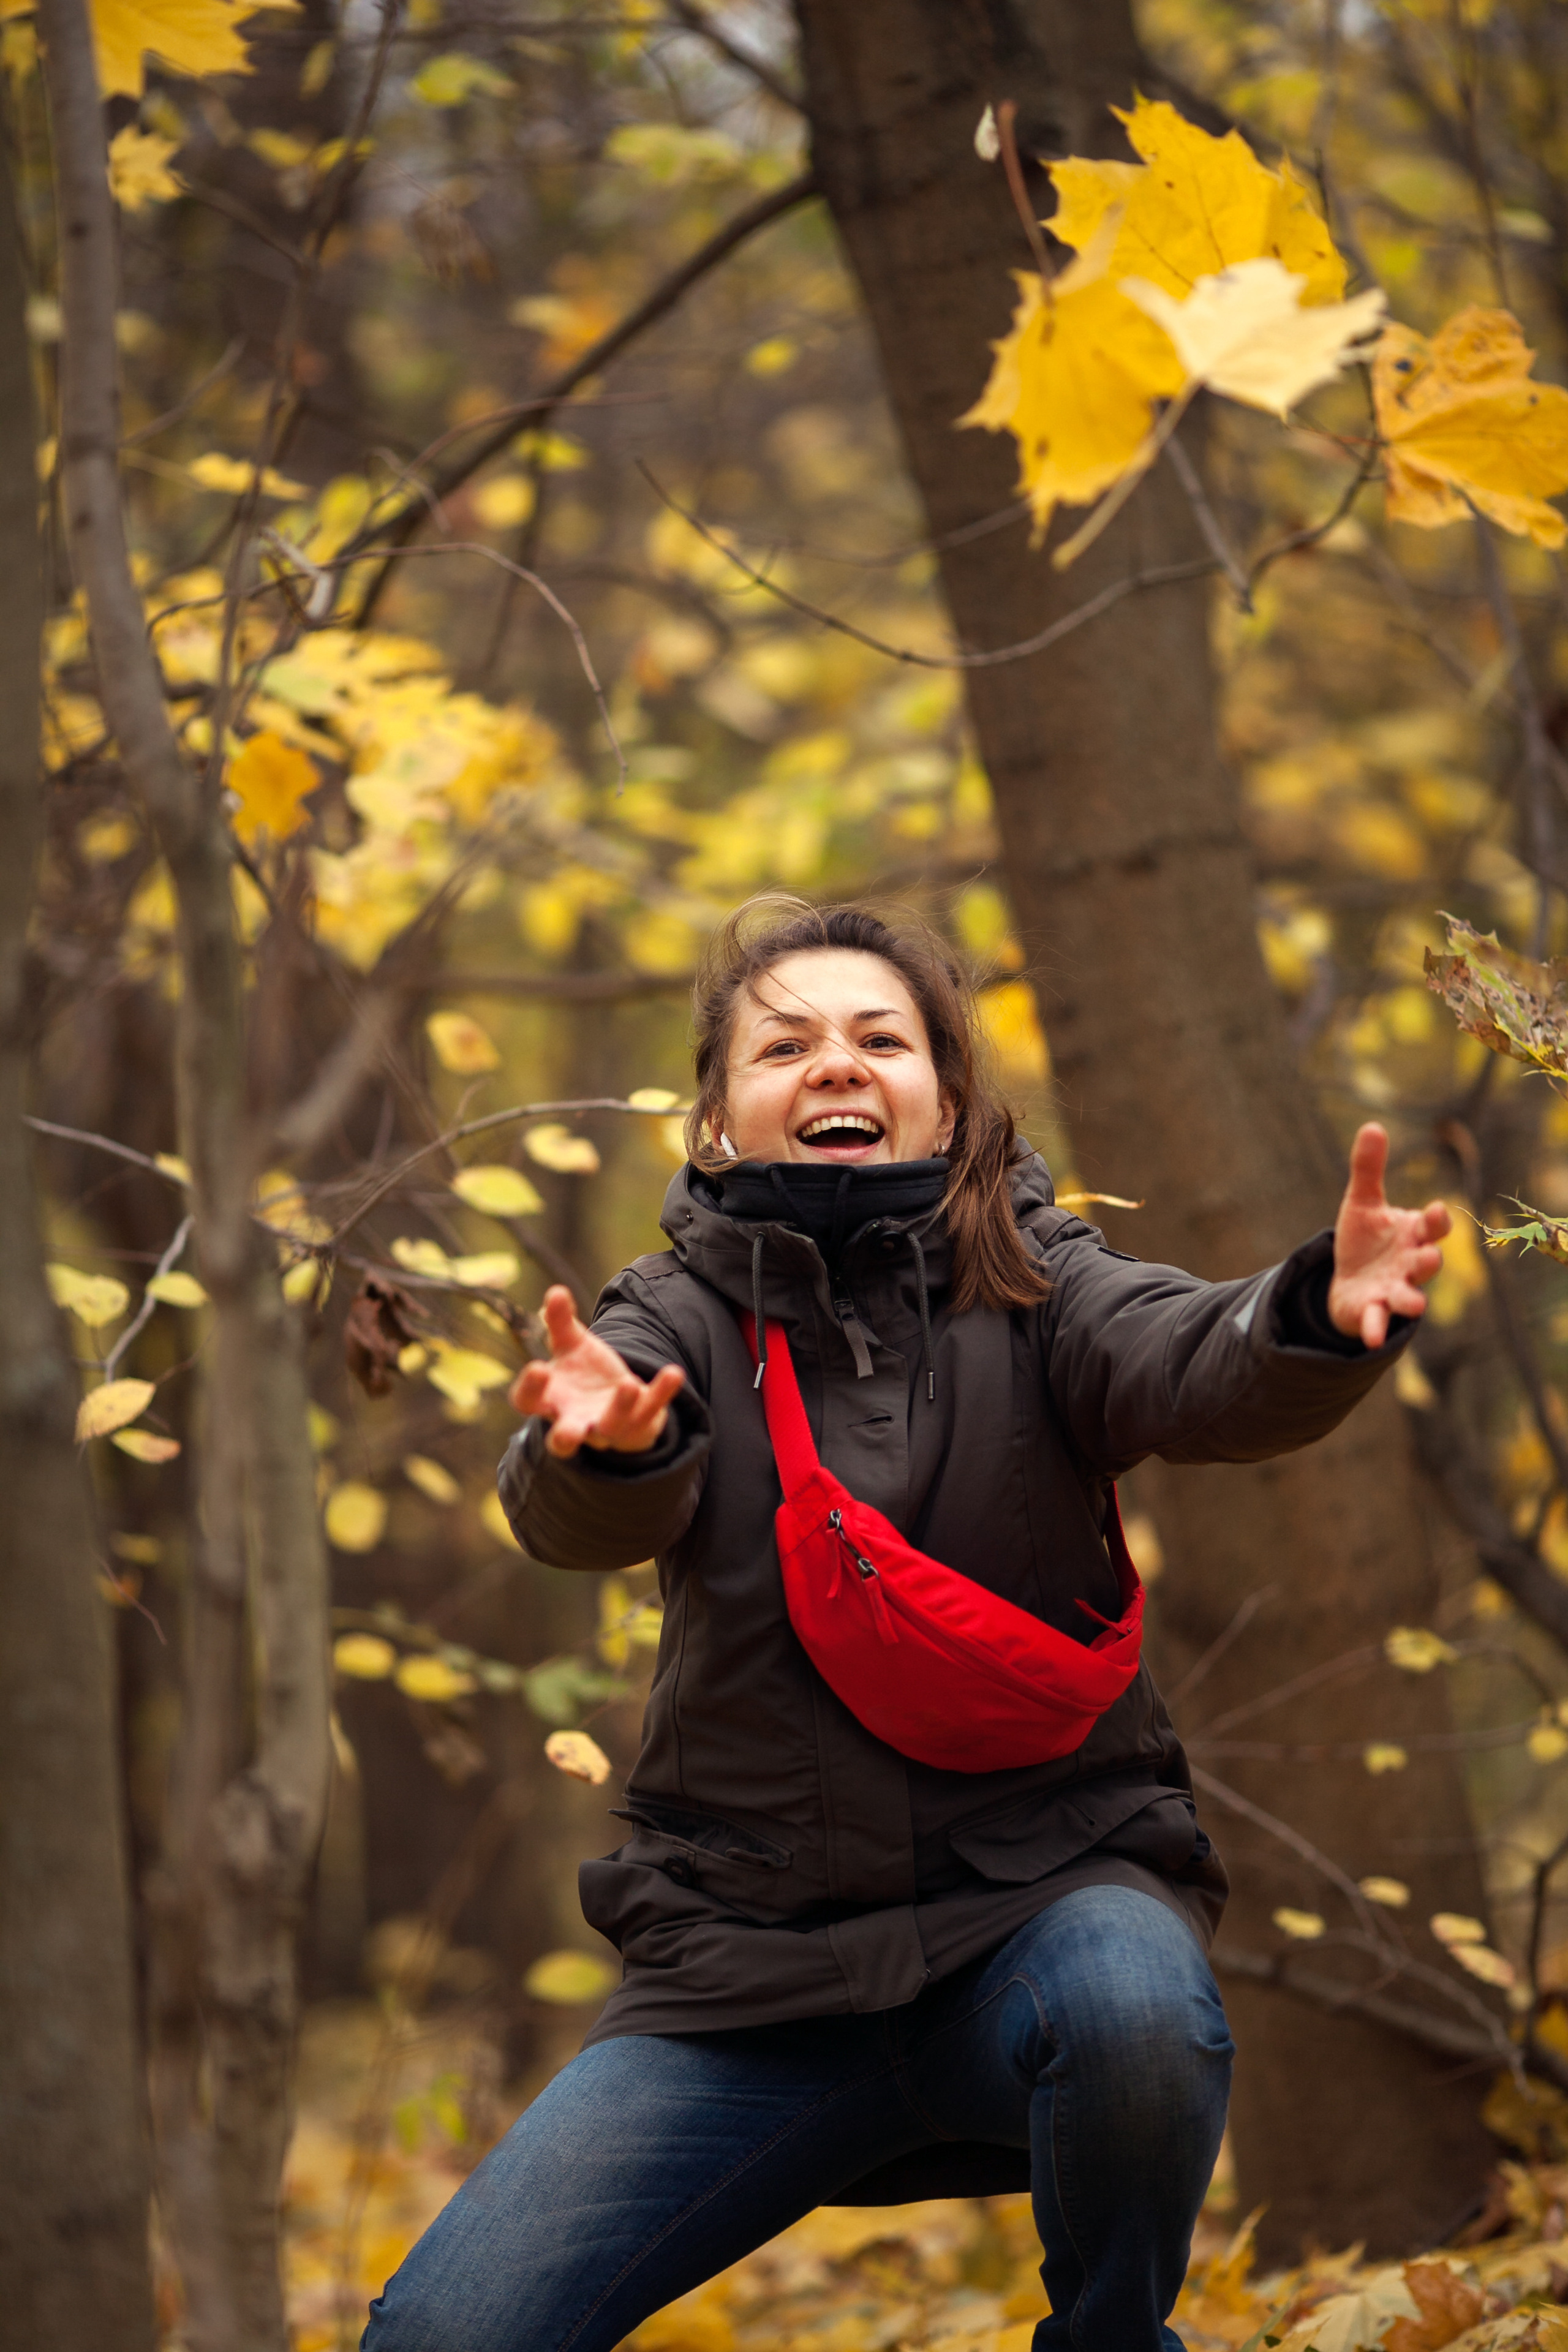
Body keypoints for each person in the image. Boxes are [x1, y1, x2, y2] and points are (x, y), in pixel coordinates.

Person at [363, 897, 1449, 2352]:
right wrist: (606, 1448)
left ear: (946, 1100)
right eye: (783, 1045)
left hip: (1042, 1914)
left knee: (1137, 2009)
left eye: (879, 1038)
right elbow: (579, 1512)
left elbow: (1184, 1355)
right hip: (746, 1982)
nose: (834, 1063)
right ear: (713, 1120)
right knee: (437, 2336)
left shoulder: (1043, 1278)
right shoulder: (667, 1318)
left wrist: (1305, 1311)